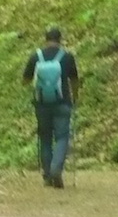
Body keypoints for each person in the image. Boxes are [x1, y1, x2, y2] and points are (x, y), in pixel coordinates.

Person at [23, 27, 80, 189]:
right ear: (60, 39)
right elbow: (75, 80)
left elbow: (25, 80)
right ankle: (56, 169)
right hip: (62, 103)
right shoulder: (67, 57)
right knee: (62, 137)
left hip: (42, 104)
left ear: (45, 39)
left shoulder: (36, 57)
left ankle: (48, 174)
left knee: (45, 137)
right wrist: (75, 96)